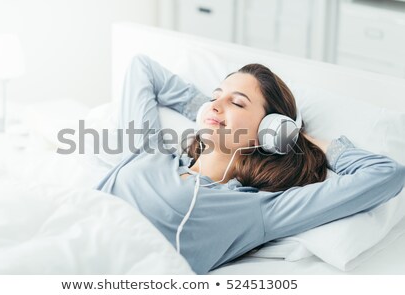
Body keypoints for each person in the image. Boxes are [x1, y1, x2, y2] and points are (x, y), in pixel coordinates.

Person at [96, 54, 405, 274]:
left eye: (238, 102)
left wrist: (302, 139)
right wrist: (211, 112)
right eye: (216, 96)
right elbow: (143, 68)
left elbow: (387, 174)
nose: (216, 104)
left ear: (269, 131)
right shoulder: (149, 149)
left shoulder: (256, 210)